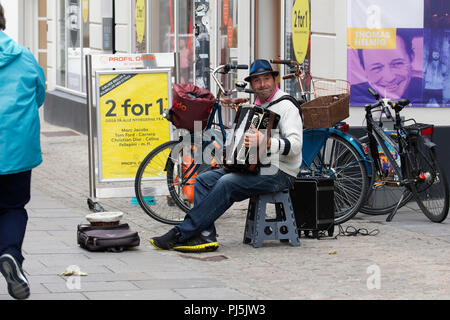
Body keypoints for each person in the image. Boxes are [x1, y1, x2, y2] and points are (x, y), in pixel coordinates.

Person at [149, 59, 303, 252]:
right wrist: (231, 153)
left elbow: (296, 147)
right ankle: (206, 236)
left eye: (266, 78)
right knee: (203, 180)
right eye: (256, 81)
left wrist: (267, 143)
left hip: (281, 172)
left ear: (274, 79)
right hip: (256, 167)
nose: (262, 84)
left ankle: (181, 233)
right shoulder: (255, 107)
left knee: (227, 182)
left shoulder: (287, 106)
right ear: (252, 85)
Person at [0, 4, 46, 300]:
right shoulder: (24, 55)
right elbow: (39, 95)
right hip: (16, 150)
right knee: (13, 208)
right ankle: (10, 254)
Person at [350, 31, 422, 104]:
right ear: (364, 70)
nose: (390, 78)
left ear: (411, 58)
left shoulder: (427, 90)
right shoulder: (354, 95)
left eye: (398, 63)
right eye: (376, 68)